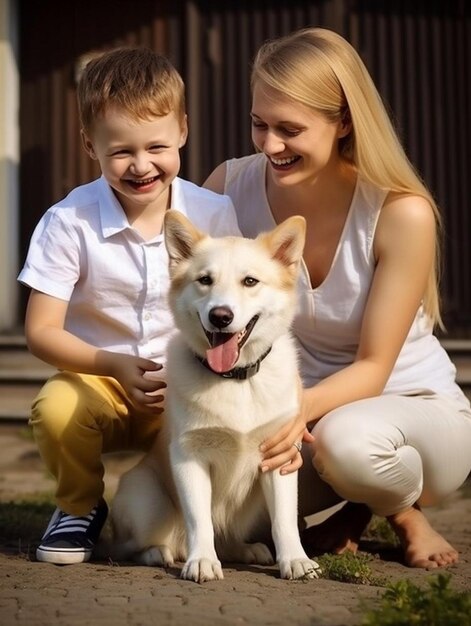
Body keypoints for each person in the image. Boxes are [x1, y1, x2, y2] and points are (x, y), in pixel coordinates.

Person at [204, 27, 471, 570]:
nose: (270, 145)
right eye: (260, 124)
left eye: (290, 129)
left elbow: (373, 369)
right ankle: (355, 505)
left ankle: (400, 510)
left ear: (344, 120)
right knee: (236, 521)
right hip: (298, 417)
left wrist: (292, 411)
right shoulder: (228, 187)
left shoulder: (401, 212)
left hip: (409, 412)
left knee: (347, 445)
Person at [18, 47, 240, 565]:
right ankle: (79, 505)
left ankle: (224, 521)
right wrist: (113, 364)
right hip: (101, 382)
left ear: (183, 131)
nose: (142, 166)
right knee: (56, 408)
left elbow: (233, 302)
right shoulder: (66, 221)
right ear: (89, 145)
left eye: (157, 146)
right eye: (121, 152)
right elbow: (42, 331)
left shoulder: (214, 212)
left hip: (190, 388)